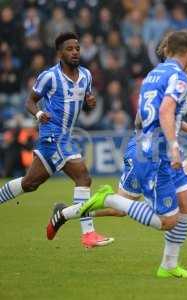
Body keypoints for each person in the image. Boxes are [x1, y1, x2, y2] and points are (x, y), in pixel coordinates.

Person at [46, 30, 187, 278]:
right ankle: (83, 207)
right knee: (149, 214)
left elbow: (161, 108)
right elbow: (163, 112)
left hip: (158, 146)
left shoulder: (153, 75)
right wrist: (173, 144)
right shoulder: (178, 77)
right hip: (152, 151)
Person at [0, 32, 113, 248]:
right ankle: (88, 234)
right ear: (60, 53)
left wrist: (90, 103)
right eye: (69, 49)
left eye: (77, 49)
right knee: (84, 177)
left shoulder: (86, 76)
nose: (75, 52)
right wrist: (39, 114)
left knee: (30, 183)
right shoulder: (49, 76)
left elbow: (87, 103)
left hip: (64, 136)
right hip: (53, 135)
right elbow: (30, 102)